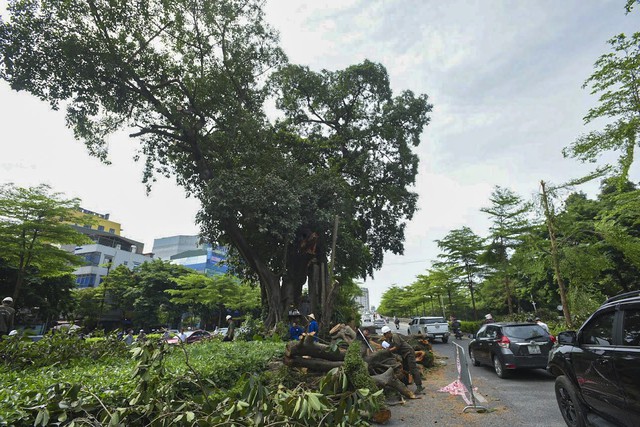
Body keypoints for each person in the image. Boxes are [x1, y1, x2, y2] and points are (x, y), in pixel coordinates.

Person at [381, 325, 424, 395]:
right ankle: (405, 385)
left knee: (413, 369)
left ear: (388, 333)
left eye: (385, 334)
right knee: (405, 369)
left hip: (409, 353)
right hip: (404, 355)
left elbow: (396, 346)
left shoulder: (395, 336)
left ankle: (419, 386)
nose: (385, 336)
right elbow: (390, 348)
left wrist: (388, 351)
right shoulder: (389, 340)